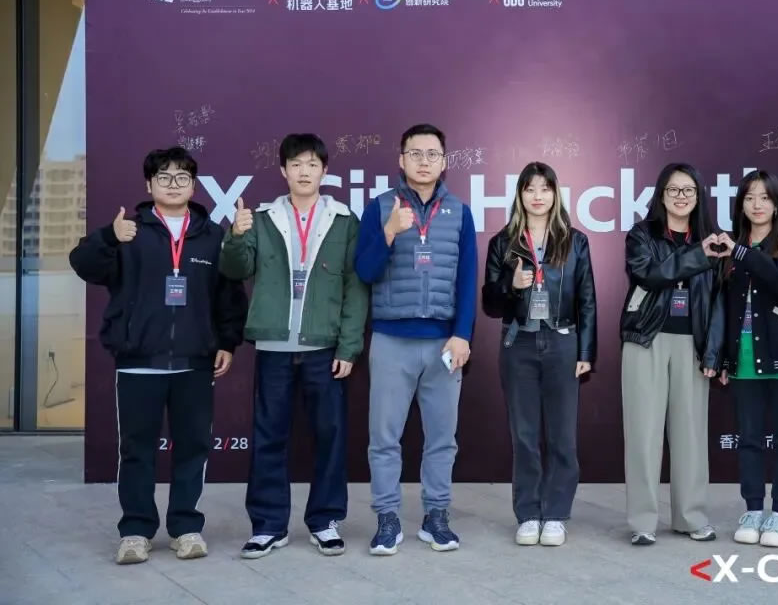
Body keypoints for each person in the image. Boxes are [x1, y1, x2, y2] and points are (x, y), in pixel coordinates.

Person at [69, 147, 247, 565]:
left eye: (182, 177)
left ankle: (186, 528)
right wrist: (108, 237)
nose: (173, 184)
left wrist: (227, 341)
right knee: (136, 451)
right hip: (138, 361)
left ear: (194, 186)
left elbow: (228, 295)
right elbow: (83, 264)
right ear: (149, 185)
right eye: (164, 177)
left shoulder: (211, 235)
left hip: (194, 362)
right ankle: (135, 531)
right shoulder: (129, 231)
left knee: (193, 448)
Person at [220, 133, 369, 559]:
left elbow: (355, 287)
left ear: (325, 171)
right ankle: (268, 525)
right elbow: (235, 269)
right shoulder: (262, 217)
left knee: (330, 435)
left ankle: (325, 521)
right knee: (269, 436)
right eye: (296, 164)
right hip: (274, 346)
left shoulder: (344, 219)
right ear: (283, 170)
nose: (304, 172)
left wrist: (348, 347)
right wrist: (236, 236)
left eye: (312, 164)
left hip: (325, 347)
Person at [354, 123, 477, 555]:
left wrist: (462, 334)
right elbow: (365, 271)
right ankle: (387, 519)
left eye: (432, 154)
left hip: (444, 344)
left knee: (442, 438)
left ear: (444, 161)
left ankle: (436, 516)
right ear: (401, 159)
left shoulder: (459, 212)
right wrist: (388, 232)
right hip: (391, 340)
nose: (424, 161)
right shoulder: (380, 207)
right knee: (384, 438)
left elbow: (467, 280)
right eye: (415, 153)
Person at [481, 162, 597, 547]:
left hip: (563, 342)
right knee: (525, 436)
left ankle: (557, 514)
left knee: (562, 436)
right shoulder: (503, 242)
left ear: (555, 194)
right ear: (520, 194)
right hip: (519, 345)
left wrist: (586, 350)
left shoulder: (575, 241)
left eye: (545, 188)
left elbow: (587, 300)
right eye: (530, 188)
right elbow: (490, 304)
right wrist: (511, 284)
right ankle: (528, 513)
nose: (537, 196)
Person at [705, 170, 778, 549]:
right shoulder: (730, 252)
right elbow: (721, 306)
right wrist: (722, 357)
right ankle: (752, 509)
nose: (757, 204)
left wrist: (742, 253)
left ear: (777, 204)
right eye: (749, 197)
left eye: (765, 197)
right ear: (741, 205)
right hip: (744, 359)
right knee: (748, 439)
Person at [619, 163, 726, 546]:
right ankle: (643, 521)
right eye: (673, 189)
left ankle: (690, 516)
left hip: (691, 345)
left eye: (689, 190)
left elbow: (719, 301)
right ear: (661, 195)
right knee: (643, 433)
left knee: (691, 435)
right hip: (646, 339)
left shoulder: (714, 240)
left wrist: (714, 353)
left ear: (699, 196)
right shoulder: (642, 234)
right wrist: (699, 254)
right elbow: (649, 274)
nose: (681, 197)